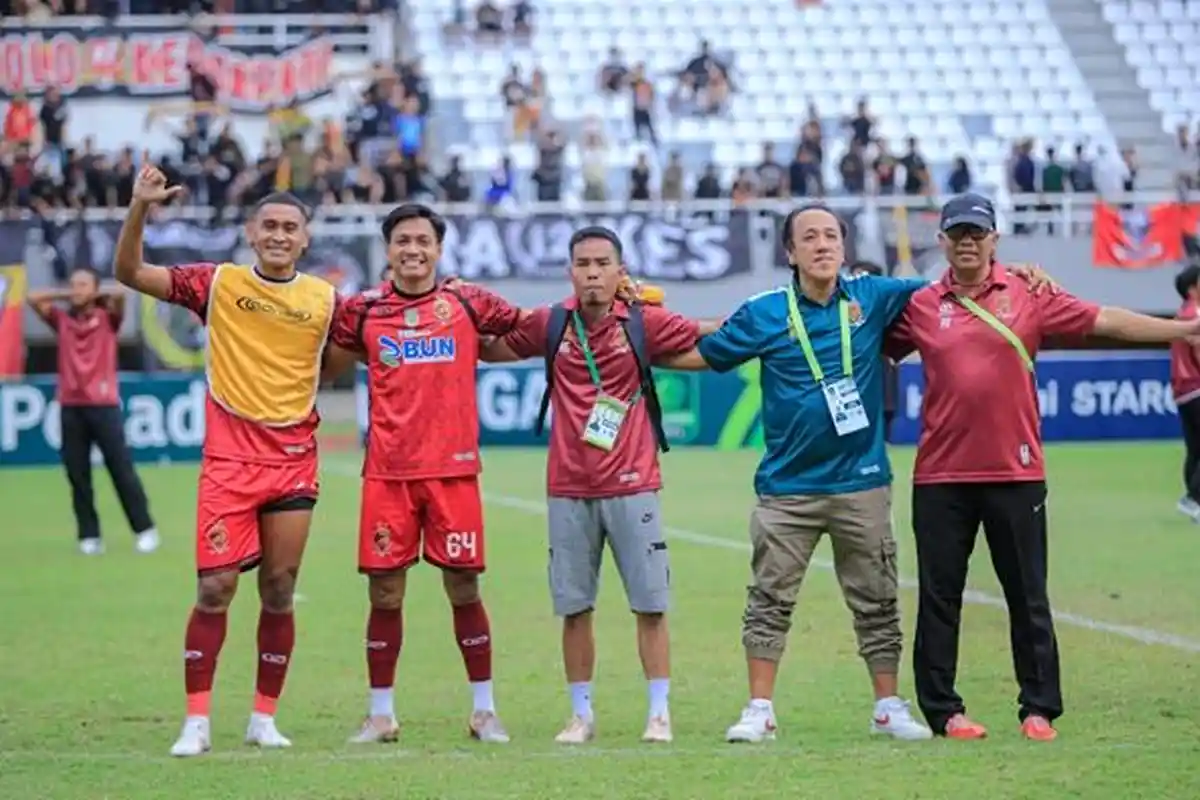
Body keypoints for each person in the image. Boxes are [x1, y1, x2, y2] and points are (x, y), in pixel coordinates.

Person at [656, 203, 1054, 743]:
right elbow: (704, 352)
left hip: (862, 482)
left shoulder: (878, 296)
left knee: (878, 600)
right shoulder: (765, 311)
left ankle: (888, 705)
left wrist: (1019, 273)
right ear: (789, 252)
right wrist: (634, 338)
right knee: (769, 600)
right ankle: (759, 709)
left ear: (843, 247)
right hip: (786, 489)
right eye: (809, 238)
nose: (822, 245)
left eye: (831, 236)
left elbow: (957, 284)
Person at [885, 193, 1200, 742]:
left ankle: (1038, 708)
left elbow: (1109, 321)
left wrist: (1183, 330)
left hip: (1017, 470)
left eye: (977, 232)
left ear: (995, 239)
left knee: (1028, 595)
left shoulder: (1030, 293)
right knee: (940, 597)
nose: (967, 241)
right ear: (941, 241)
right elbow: (865, 341)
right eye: (957, 232)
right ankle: (943, 711)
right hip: (940, 477)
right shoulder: (918, 305)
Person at [114, 167, 342, 757]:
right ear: (250, 231)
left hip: (292, 460)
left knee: (280, 588)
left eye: (290, 227)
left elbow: (350, 355)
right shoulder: (216, 283)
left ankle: (264, 718)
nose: (279, 235)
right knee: (215, 588)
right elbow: (130, 272)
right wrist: (139, 208)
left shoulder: (326, 299)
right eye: (269, 225)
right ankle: (196, 721)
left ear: (305, 239)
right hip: (229, 461)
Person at [479, 226, 719, 744]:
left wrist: (773, 325)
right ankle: (581, 715)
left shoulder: (642, 322)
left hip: (634, 484)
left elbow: (707, 333)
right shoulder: (550, 323)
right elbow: (493, 350)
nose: (592, 271)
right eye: (582, 263)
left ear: (619, 270)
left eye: (601, 262)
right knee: (574, 607)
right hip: (568, 487)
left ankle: (659, 713)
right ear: (571, 271)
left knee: (650, 604)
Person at [325, 203, 526, 745]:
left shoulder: (466, 301)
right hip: (388, 475)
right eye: (402, 241)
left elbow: (528, 331)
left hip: (453, 474)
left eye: (423, 241)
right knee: (385, 594)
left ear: (438, 249)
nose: (413, 250)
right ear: (388, 250)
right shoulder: (362, 312)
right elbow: (323, 366)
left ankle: (484, 711)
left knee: (464, 586)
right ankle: (381, 714)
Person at [27, 268, 159, 556]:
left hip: (104, 406)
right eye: (73, 284)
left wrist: (93, 294)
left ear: (96, 288)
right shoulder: (61, 319)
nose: (76, 289)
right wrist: (68, 293)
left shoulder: (108, 319)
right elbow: (32, 297)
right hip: (71, 407)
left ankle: (145, 529)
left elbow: (122, 295)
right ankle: (89, 536)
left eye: (83, 284)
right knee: (78, 475)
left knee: (121, 471)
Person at [848, 261, 899, 442]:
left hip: (880, 384)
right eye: (853, 278)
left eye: (863, 279)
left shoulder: (890, 310)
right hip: (847, 391)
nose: (856, 284)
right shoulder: (836, 309)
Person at [1170, 262, 1200, 522]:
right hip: (1197, 387)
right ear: (1193, 287)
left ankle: (1192, 500)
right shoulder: (1195, 315)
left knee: (1195, 448)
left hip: (1183, 390)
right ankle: (1193, 498)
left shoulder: (1183, 313)